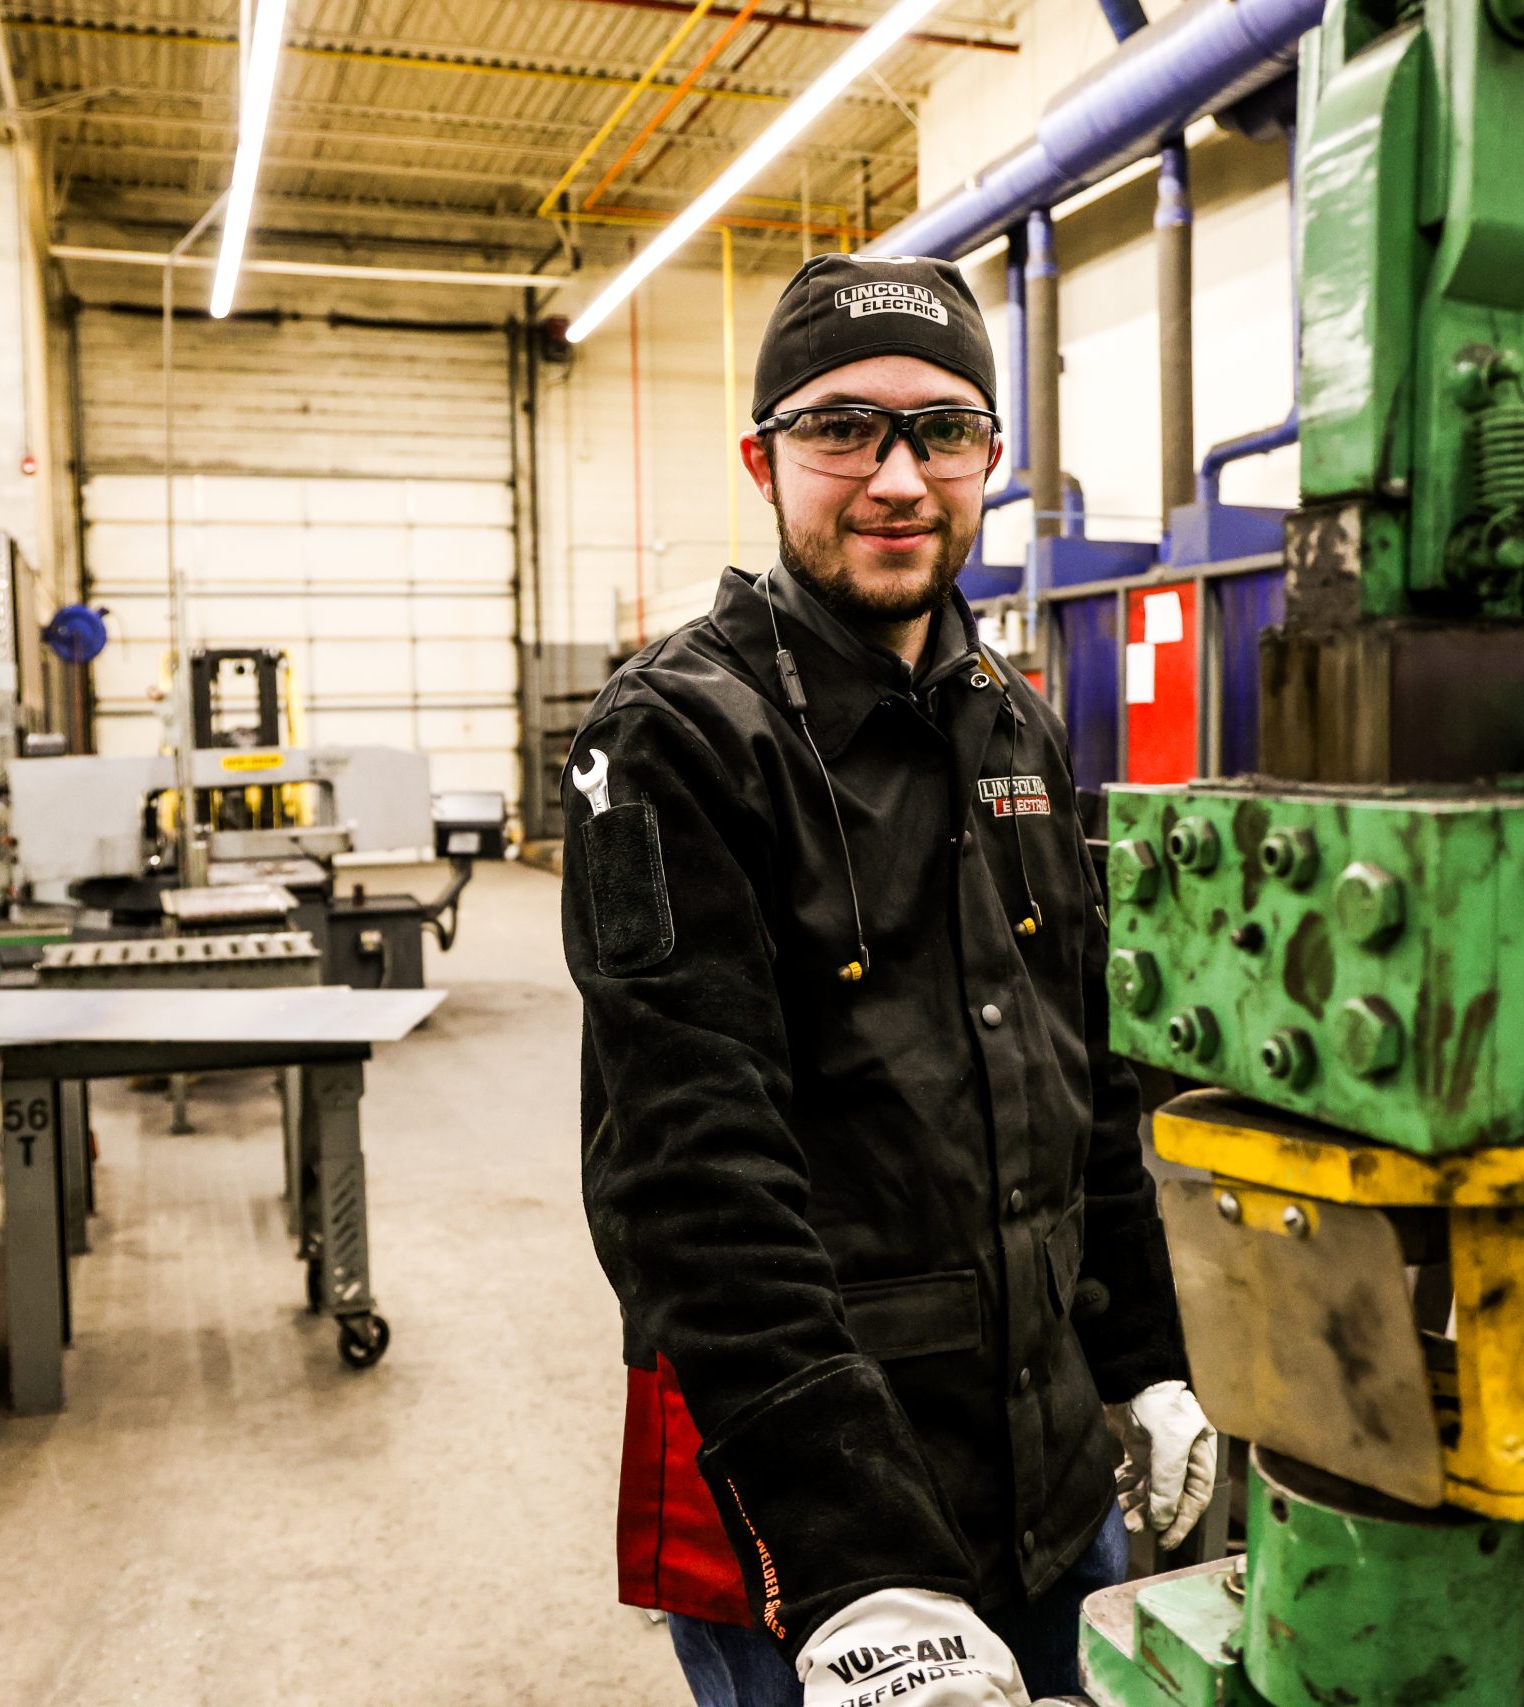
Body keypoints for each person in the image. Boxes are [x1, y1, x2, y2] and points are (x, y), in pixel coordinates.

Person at [561, 253, 1220, 1707]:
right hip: (814, 1517)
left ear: (992, 455)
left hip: (1047, 1478)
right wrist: (861, 1564)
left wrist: (1148, 1363)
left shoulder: (1017, 729)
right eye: (843, 428)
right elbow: (691, 1183)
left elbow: (1083, 1079)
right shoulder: (671, 742)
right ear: (763, 457)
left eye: (944, 431)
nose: (899, 477)